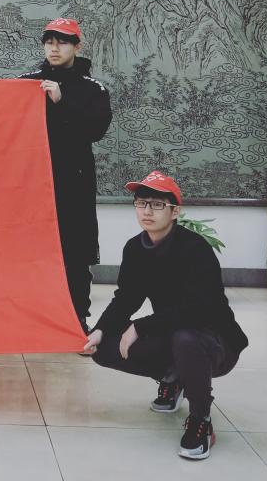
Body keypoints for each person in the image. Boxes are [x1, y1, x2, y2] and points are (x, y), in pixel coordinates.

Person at [83, 171, 249, 460]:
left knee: (185, 339)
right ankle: (173, 378)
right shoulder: (135, 248)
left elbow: (200, 308)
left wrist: (140, 326)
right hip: (172, 333)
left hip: (214, 340)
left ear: (175, 212)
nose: (147, 211)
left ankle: (200, 420)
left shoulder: (196, 249)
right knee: (104, 348)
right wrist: (99, 330)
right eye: (141, 203)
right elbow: (126, 298)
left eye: (157, 204)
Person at [18, 18, 112, 332]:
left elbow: (96, 129)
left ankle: (76, 319)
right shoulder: (26, 83)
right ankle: (30, 316)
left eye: (62, 42)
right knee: (29, 249)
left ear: (77, 46)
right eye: (49, 42)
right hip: (31, 181)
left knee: (74, 252)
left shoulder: (92, 88)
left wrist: (62, 101)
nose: (54, 48)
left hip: (74, 182)